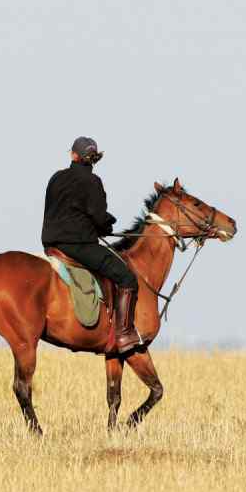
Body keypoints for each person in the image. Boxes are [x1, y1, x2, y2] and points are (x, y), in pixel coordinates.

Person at [41, 137, 141, 353]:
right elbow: (97, 217)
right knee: (127, 277)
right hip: (78, 246)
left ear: (73, 155)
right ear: (93, 158)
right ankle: (123, 335)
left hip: (51, 244)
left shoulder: (56, 178)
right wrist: (107, 224)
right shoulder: (92, 182)